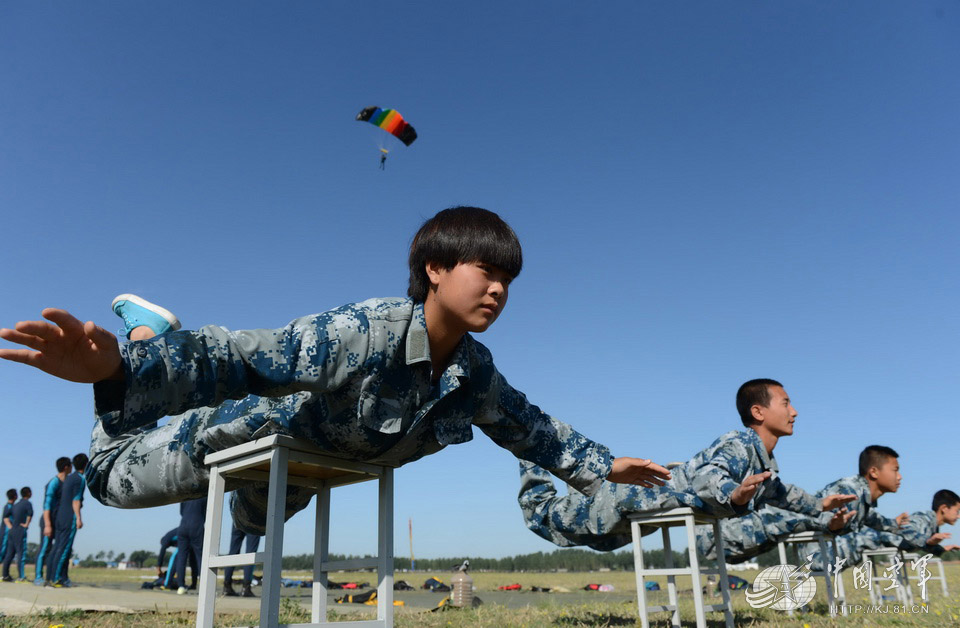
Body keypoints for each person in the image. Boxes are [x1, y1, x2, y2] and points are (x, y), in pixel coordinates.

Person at [0, 206, 670, 535]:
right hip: (246, 434)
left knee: (256, 524)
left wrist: (604, 466)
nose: (497, 289)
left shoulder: (473, 371)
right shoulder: (364, 331)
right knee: (108, 481)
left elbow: (531, 428)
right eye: (485, 271)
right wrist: (120, 366)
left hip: (315, 463)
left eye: (508, 280)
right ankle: (147, 329)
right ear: (435, 270)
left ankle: (146, 344)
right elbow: (243, 356)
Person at [517, 379, 855, 550]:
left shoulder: (759, 462)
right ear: (759, 412)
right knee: (542, 515)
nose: (794, 411)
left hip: (637, 506)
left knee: (598, 540)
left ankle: (538, 443)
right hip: (621, 498)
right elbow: (711, 477)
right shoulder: (738, 443)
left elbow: (783, 493)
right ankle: (531, 441)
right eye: (786, 403)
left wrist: (821, 504)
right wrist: (733, 495)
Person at [702, 445, 908, 569]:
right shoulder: (849, 490)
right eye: (895, 470)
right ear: (874, 472)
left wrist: (893, 524)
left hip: (769, 535)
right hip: (747, 531)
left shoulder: (861, 499)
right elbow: (816, 513)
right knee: (713, 545)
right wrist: (831, 524)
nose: (899, 476)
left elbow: (872, 518)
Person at [48, 453, 87, 587]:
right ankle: (57, 579)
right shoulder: (80, 479)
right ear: (86, 465)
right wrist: (78, 518)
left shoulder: (68, 478)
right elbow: (76, 500)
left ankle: (56, 577)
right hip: (69, 517)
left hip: (59, 516)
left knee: (58, 547)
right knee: (64, 549)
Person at [35, 457, 72, 585]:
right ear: (66, 467)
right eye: (70, 466)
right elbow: (47, 505)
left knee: (59, 548)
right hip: (48, 520)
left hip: (58, 521)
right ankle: (38, 577)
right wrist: (48, 525)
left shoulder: (67, 483)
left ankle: (59, 577)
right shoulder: (54, 483)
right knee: (45, 548)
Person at [173, 497, 207, 595]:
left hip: (183, 525)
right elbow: (206, 512)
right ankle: (204, 586)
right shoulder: (204, 495)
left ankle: (181, 586)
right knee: (200, 557)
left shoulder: (186, 495)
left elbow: (181, 511)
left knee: (181, 557)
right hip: (197, 525)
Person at [223, 519, 261, 597]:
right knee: (251, 554)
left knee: (233, 552)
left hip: (237, 518)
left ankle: (227, 586)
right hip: (254, 520)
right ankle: (246, 588)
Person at [2, 487, 33, 582]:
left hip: (12, 531)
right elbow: (30, 514)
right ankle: (21, 577)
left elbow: (5, 517)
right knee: (21, 553)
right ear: (28, 493)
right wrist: (26, 524)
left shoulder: (15, 505)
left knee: (9, 554)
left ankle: (5, 575)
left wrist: (10, 526)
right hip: (19, 530)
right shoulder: (27, 503)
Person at [0, 490, 16, 565]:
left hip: (9, 532)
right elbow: (6, 519)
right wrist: (11, 529)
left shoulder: (12, 506)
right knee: (2, 551)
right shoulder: (8, 507)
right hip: (6, 533)